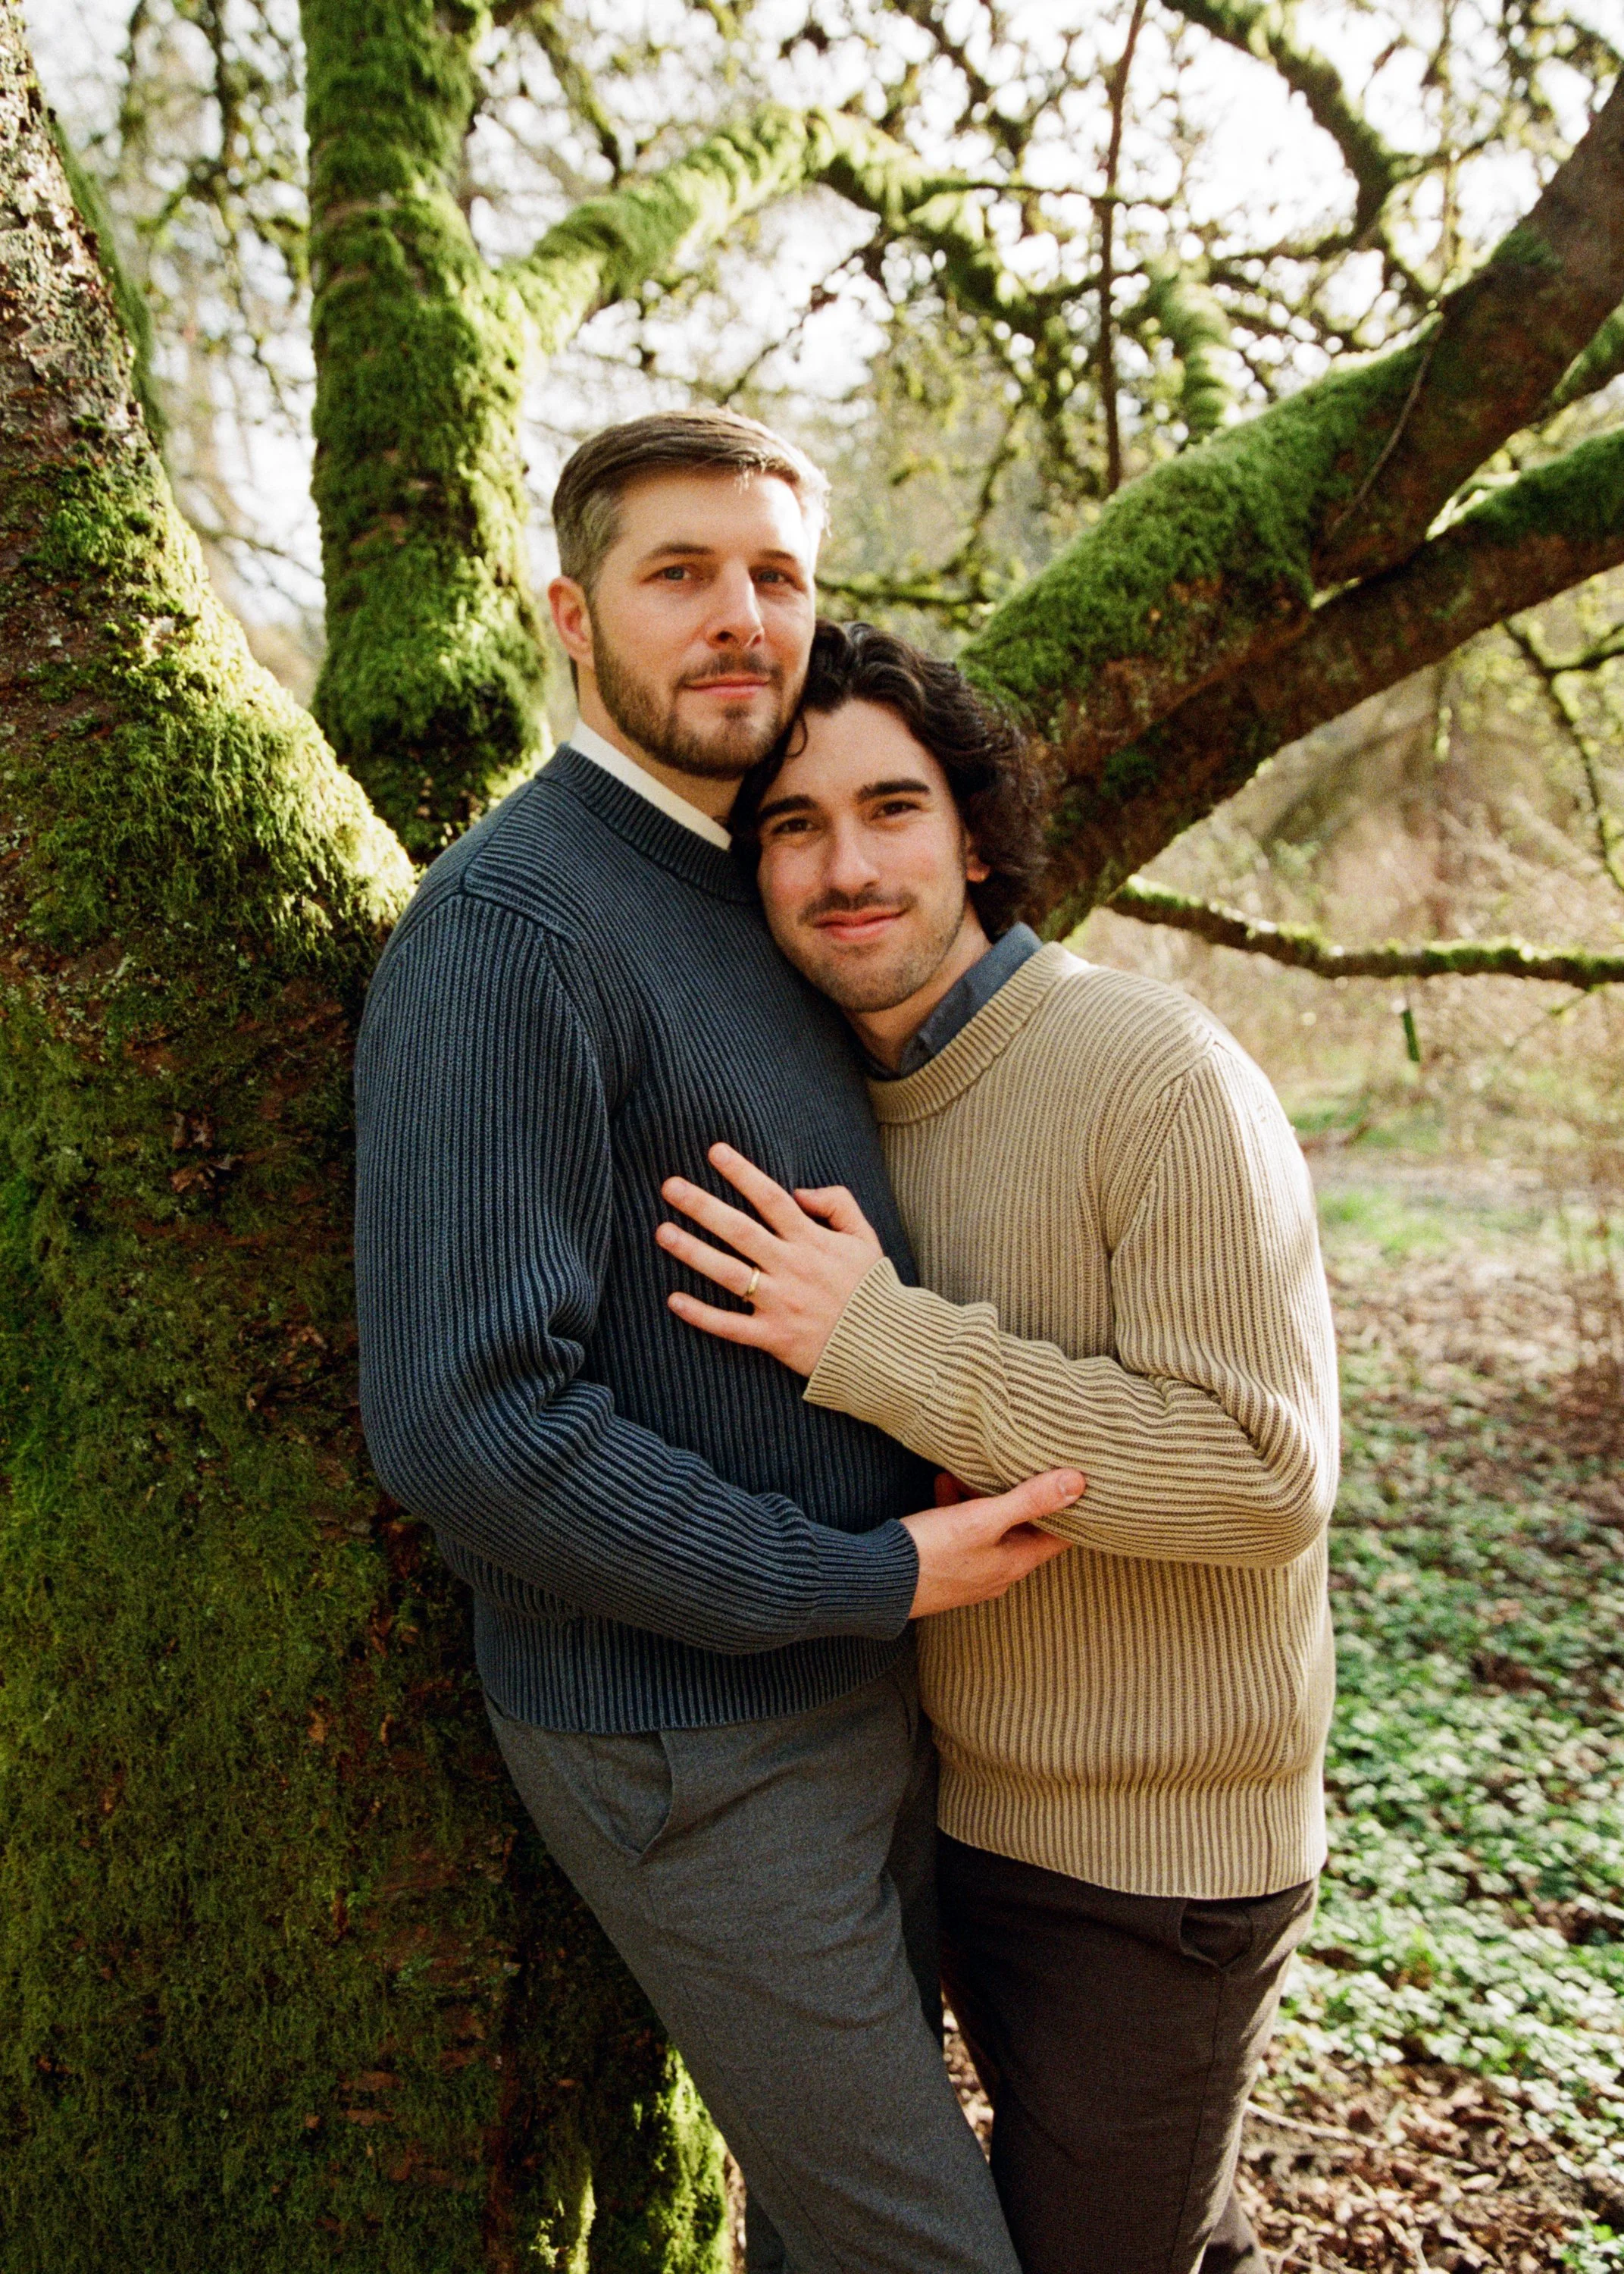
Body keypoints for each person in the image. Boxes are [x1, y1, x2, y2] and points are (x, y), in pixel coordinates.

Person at [353, 415, 1083, 2274]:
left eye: (776, 574)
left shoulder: (749, 879)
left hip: (852, 1687)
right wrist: (856, 1570)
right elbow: (468, 1423)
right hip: (688, 1736)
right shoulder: (512, 933)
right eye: (679, 574)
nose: (741, 618)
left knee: (825, 2234)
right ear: (571, 618)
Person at [658, 620, 1342, 2274]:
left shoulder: (1152, 1071)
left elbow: (1261, 1474)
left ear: (975, 830)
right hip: (932, 1804)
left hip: (1149, 1866)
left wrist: (877, 1344)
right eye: (792, 827)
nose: (844, 867)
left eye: (890, 808)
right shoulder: (834, 1092)